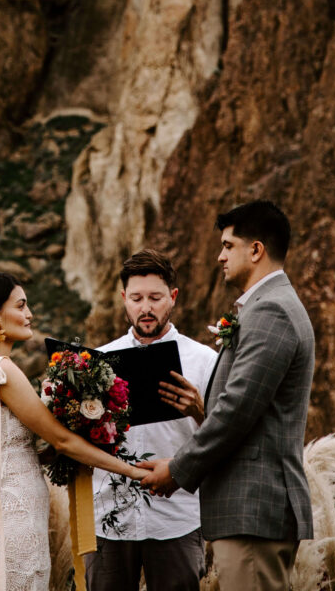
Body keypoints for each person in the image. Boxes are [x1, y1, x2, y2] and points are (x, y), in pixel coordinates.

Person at [142, 201, 315, 591]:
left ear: (255, 250)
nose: (219, 256)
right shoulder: (265, 308)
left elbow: (237, 410)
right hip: (247, 509)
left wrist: (177, 469)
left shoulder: (271, 311)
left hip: (254, 505)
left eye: (227, 245)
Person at [0, 270, 150, 591]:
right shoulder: (2, 371)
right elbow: (61, 440)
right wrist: (134, 472)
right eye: (20, 306)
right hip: (17, 520)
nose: (29, 314)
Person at [85, 249, 217, 591]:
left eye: (156, 298)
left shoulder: (205, 361)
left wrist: (198, 410)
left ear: (172, 298)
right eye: (137, 298)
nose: (146, 308)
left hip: (177, 516)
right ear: (123, 299)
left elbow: (226, 436)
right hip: (108, 518)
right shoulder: (97, 362)